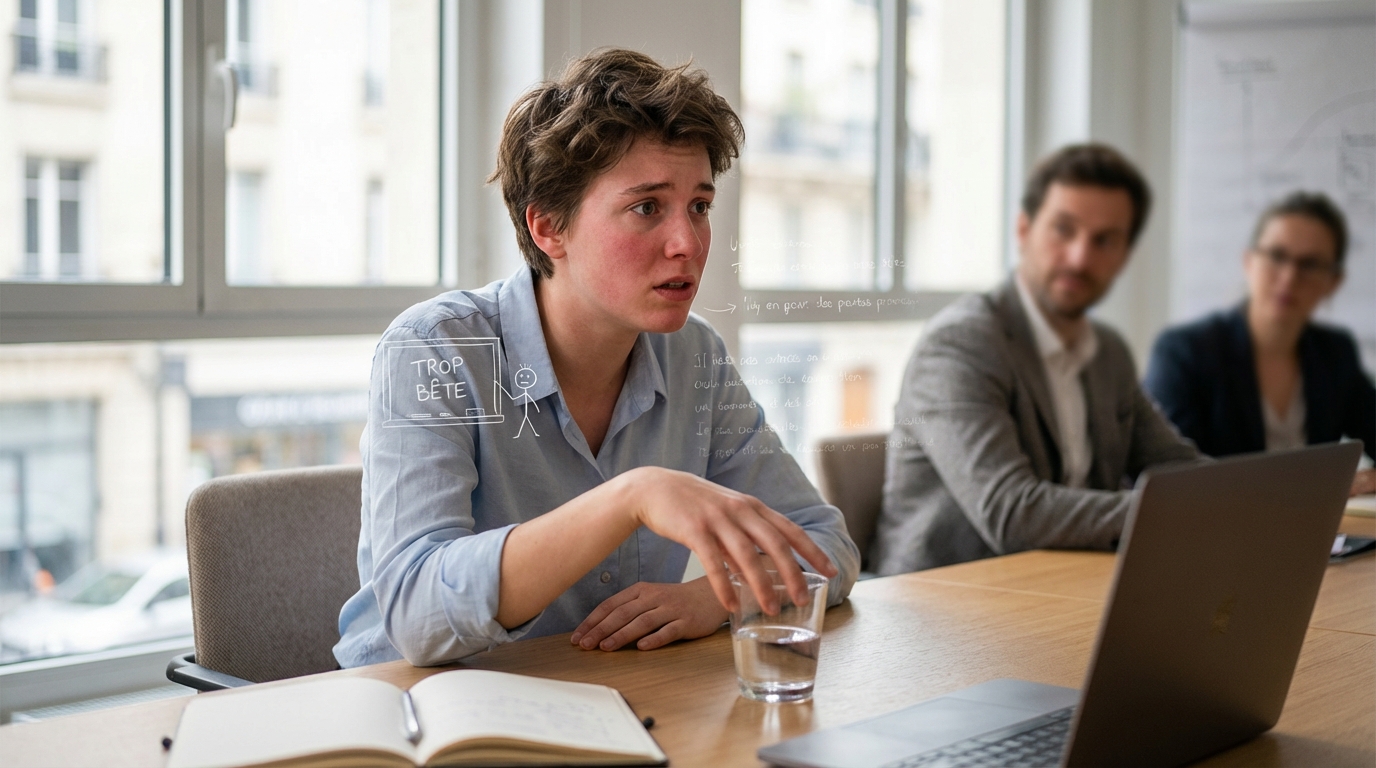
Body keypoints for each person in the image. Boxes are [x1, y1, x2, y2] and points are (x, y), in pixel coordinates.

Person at [333, 49, 859, 668]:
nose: (688, 243)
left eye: (700, 205)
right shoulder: (436, 349)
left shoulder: (694, 357)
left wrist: (716, 598)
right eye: (646, 208)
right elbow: (418, 617)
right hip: (417, 717)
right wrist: (630, 497)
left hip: (607, 699)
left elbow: (825, 547)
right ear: (549, 229)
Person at [871, 144, 1199, 575]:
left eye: (1105, 241)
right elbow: (1011, 513)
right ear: (1023, 230)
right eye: (1064, 229)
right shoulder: (961, 345)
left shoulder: (1108, 352)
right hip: (946, 605)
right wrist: (1174, 511)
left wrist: (1245, 500)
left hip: (1068, 585)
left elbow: (1173, 464)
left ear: (1124, 256)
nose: (1080, 257)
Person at [1144, 192, 1376, 496]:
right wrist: (1323, 486)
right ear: (1249, 261)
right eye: (1277, 256)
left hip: (1311, 534)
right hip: (1213, 533)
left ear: (1333, 282)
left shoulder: (1334, 353)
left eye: (1310, 264)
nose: (1290, 277)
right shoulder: (1184, 352)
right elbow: (1174, 478)